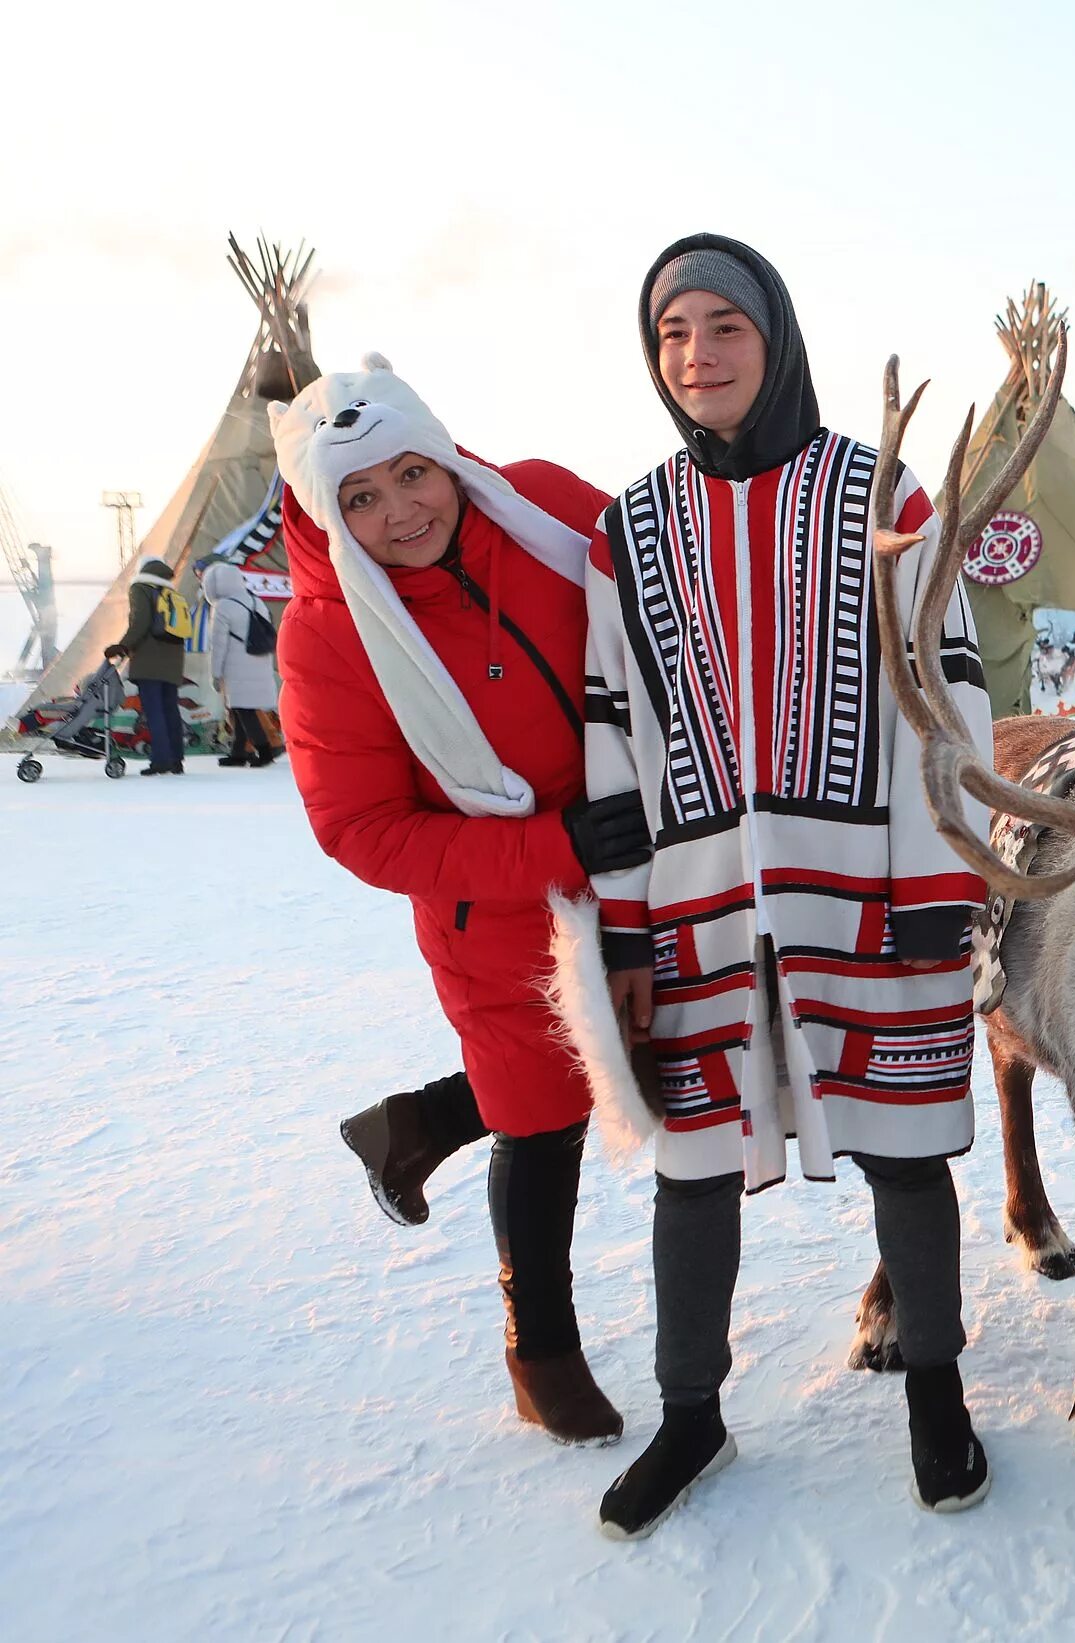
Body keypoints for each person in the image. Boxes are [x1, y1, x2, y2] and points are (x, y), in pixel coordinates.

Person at [576, 235, 994, 1537]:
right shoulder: (626, 528)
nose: (696, 355)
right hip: (696, 902)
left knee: (906, 1149)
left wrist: (943, 877)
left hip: (870, 884)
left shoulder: (885, 494)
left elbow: (952, 696)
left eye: (724, 327)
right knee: (691, 1163)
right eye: (672, 333)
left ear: (778, 337)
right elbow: (609, 727)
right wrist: (625, 926)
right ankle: (689, 1411)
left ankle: (936, 1388)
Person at [271, 355, 654, 1447]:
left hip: (640, 856)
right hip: (497, 909)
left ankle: (422, 1120)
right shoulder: (328, 629)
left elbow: (674, 582)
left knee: (640, 1056)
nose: (401, 511)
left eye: (410, 473)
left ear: (441, 449)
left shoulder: (540, 503)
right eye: (361, 498)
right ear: (328, 514)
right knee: (543, 1115)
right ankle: (542, 1352)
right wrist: (553, 845)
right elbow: (361, 828)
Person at [201, 561, 281, 767]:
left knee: (244, 710)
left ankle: (264, 752)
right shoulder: (256, 601)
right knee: (240, 709)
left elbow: (218, 645)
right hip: (259, 663)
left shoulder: (223, 606)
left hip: (236, 666)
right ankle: (238, 753)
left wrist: (215, 675)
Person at [118, 557, 189, 775]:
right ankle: (176, 759)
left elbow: (140, 622)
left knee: (154, 710)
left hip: (149, 660)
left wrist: (122, 646)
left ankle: (160, 760)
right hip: (173, 661)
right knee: (170, 709)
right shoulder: (173, 593)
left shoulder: (141, 588)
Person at [52, 646, 128, 755]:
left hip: (91, 704)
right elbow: (121, 699)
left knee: (54, 711)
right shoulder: (110, 676)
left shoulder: (101, 675)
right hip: (96, 703)